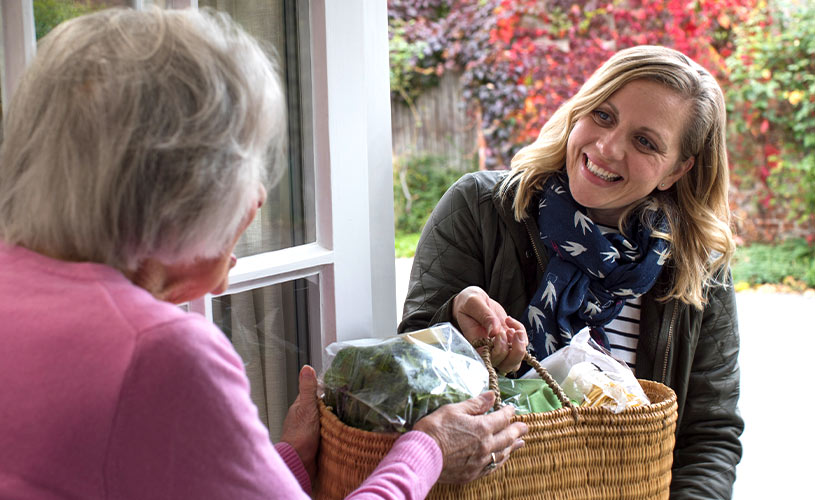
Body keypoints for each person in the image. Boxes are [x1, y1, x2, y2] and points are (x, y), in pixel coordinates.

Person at [0, 8, 528, 500]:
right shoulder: (162, 353)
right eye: (248, 161)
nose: (258, 196)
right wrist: (429, 451)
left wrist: (286, 461)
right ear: (184, 189)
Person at [399, 45, 743, 499]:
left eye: (645, 141)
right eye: (602, 115)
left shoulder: (698, 267)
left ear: (676, 170)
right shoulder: (480, 209)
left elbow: (709, 435)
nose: (607, 147)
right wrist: (455, 324)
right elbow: (406, 373)